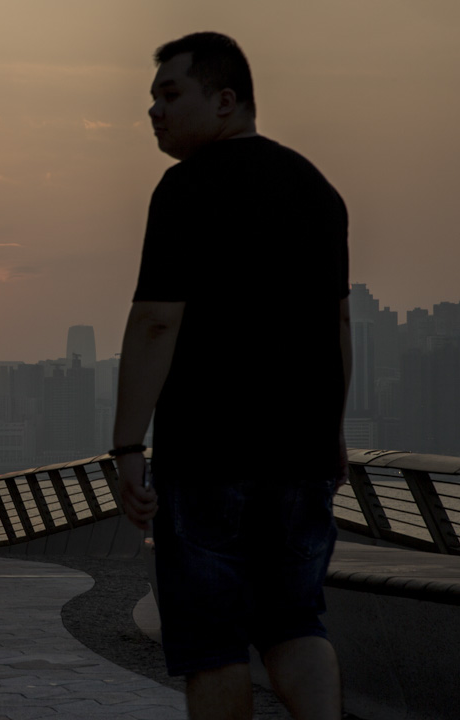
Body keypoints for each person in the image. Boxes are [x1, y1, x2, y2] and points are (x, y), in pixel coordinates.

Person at [113, 32, 351, 720]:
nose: (153, 112)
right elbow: (338, 325)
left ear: (225, 101)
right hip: (303, 456)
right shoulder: (319, 190)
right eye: (151, 99)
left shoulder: (187, 188)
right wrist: (331, 432)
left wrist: (129, 446)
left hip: (210, 456)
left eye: (169, 94)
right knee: (296, 626)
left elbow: (158, 320)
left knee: (213, 644)